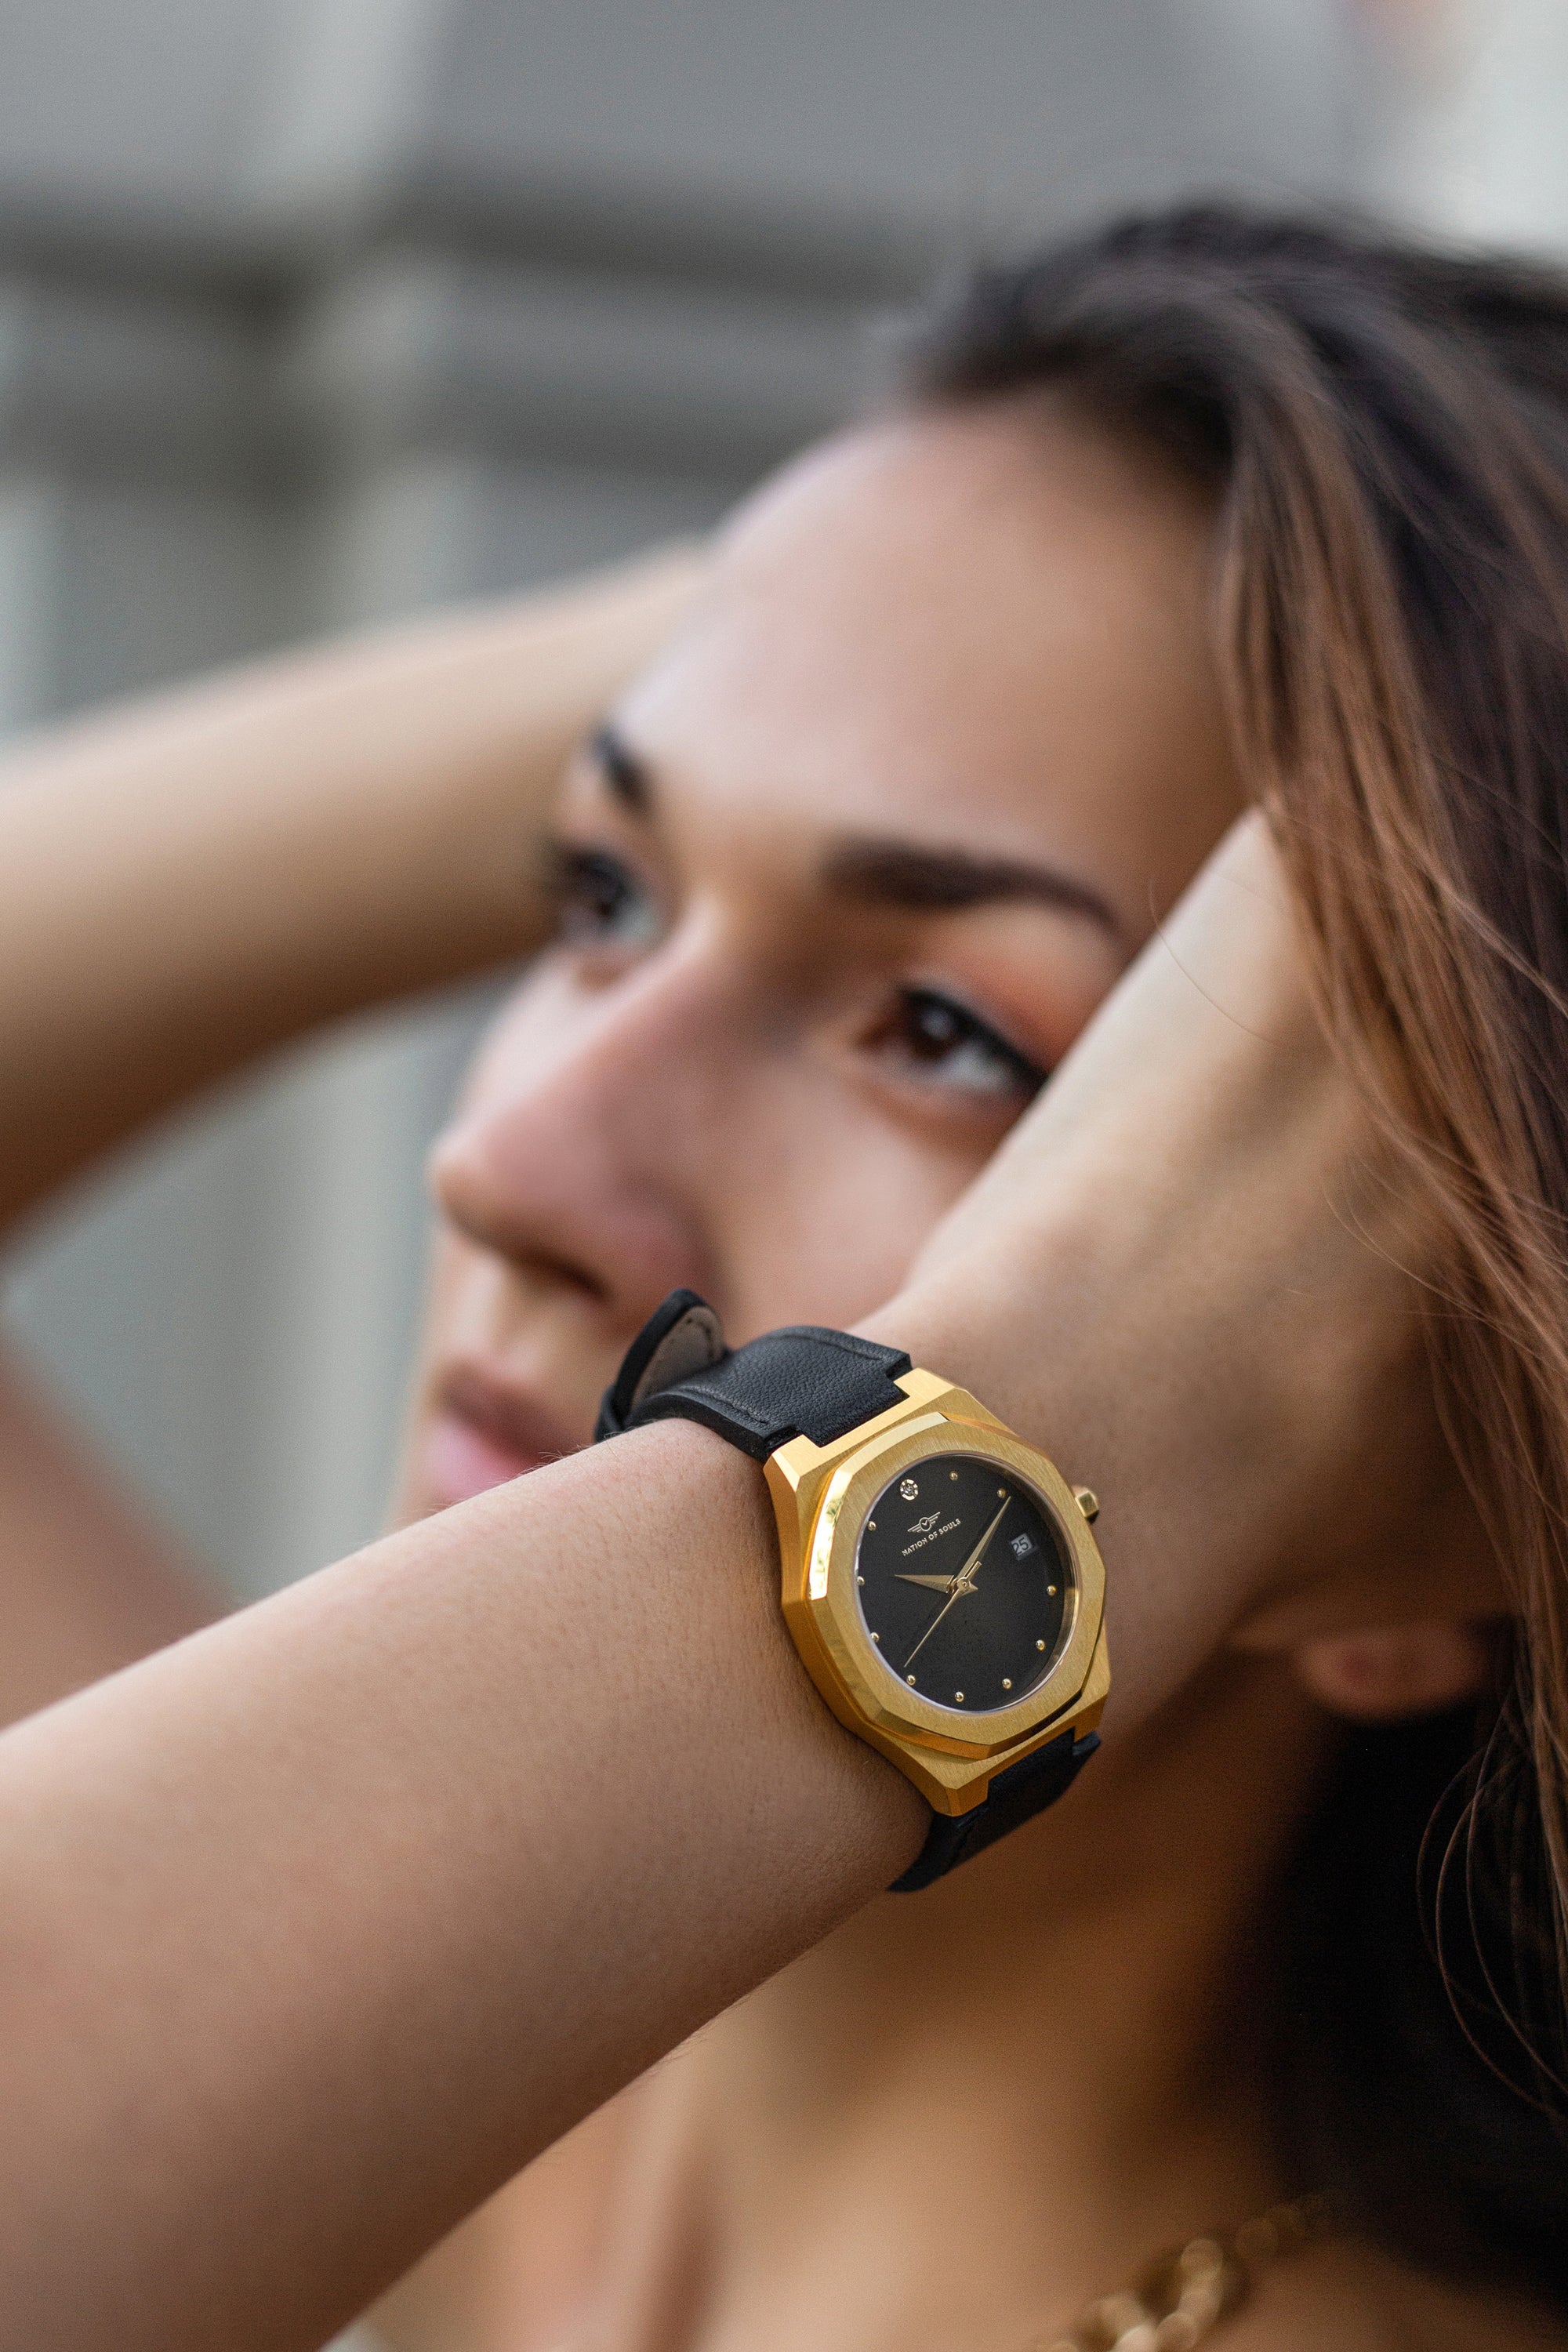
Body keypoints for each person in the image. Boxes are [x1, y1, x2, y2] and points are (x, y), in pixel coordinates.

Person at [0, 205, 1563, 2352]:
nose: (509, 1161)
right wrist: (795, 603)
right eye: (600, 891)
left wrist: (1015, 1446)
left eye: (941, 1031)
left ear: (1435, 1507)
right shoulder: (442, 2126)